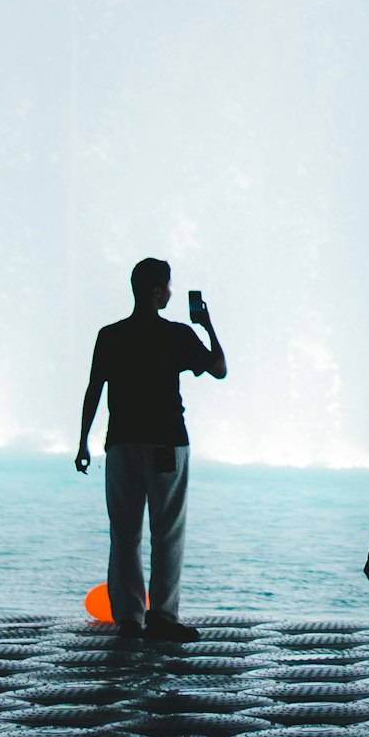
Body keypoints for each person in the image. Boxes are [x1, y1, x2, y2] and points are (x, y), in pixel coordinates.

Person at [77, 259, 227, 643]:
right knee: (168, 532)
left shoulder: (109, 335)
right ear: (158, 291)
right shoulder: (177, 335)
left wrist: (83, 442)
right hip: (166, 442)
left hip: (122, 443)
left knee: (124, 532)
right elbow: (220, 369)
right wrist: (207, 326)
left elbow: (95, 388)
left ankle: (128, 617)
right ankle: (162, 616)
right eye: (169, 287)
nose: (172, 293)